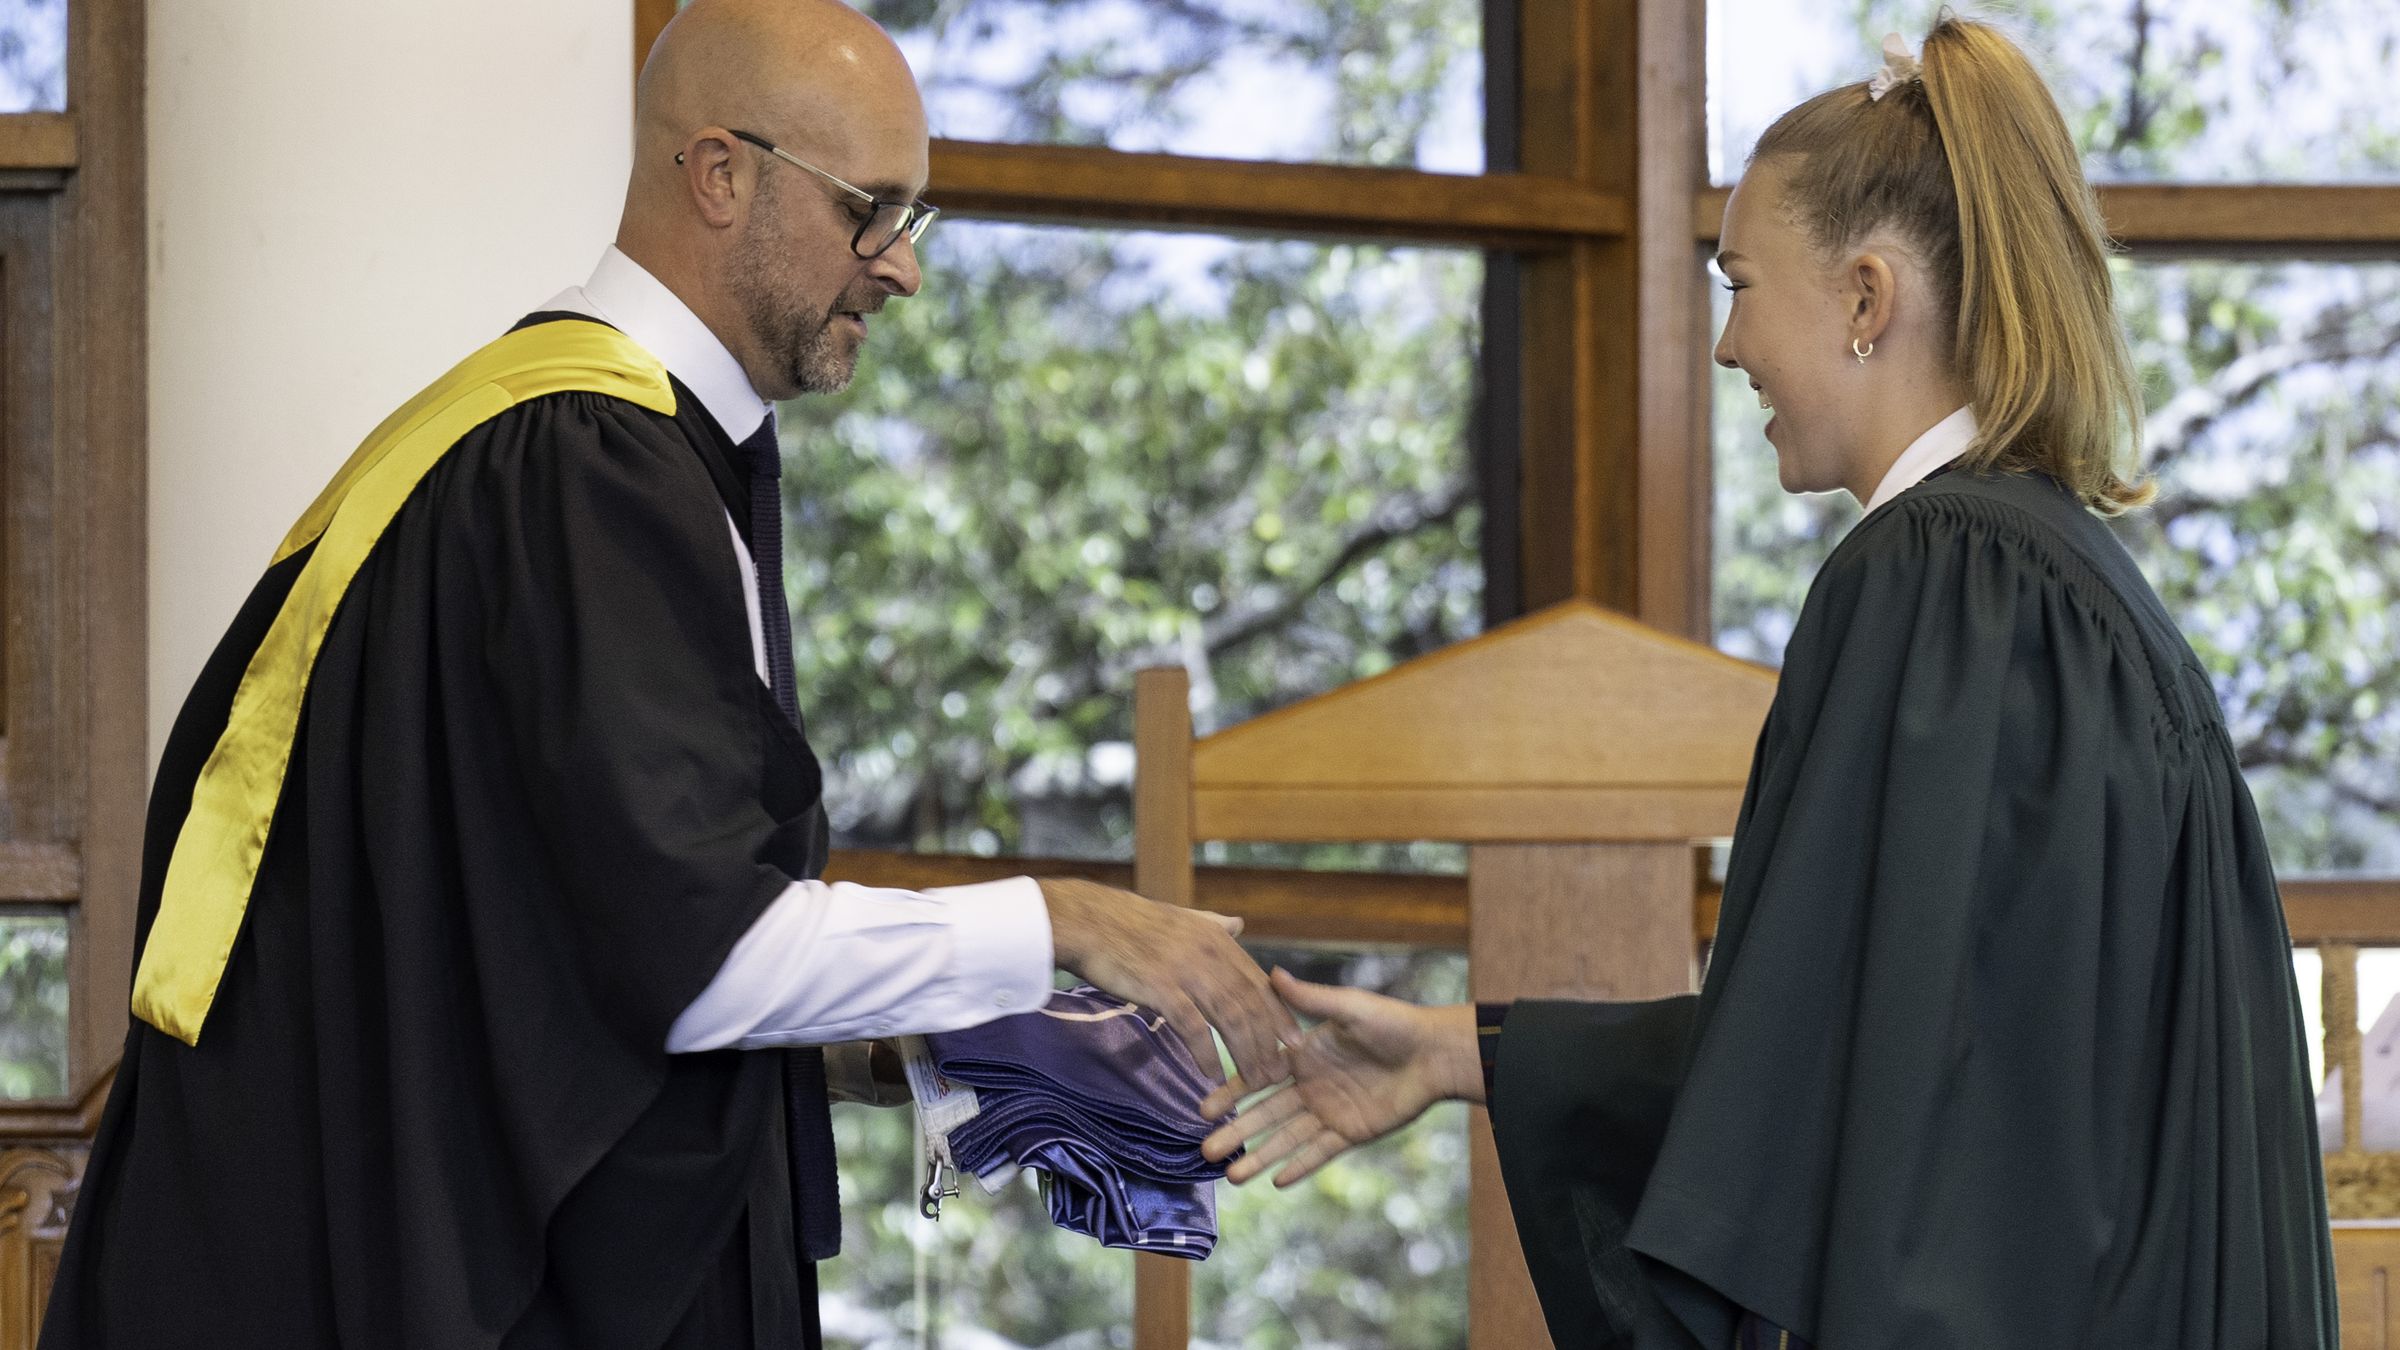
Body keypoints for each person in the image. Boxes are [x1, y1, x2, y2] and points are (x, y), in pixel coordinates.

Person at [40, 2, 1298, 1347]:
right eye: (870, 210)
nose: (903, 268)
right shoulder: (584, 467)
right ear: (719, 174)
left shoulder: (598, 448)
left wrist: (948, 1038)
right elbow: (699, 957)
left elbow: (556, 973)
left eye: (911, 218)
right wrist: (1064, 922)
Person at [1201, 18, 2336, 1349]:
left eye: (1739, 284)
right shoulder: (2053, 575)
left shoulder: (1940, 581)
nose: (1727, 345)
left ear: (1865, 299)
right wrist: (1461, 1050)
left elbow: (1879, 1143)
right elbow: (1859, 1059)